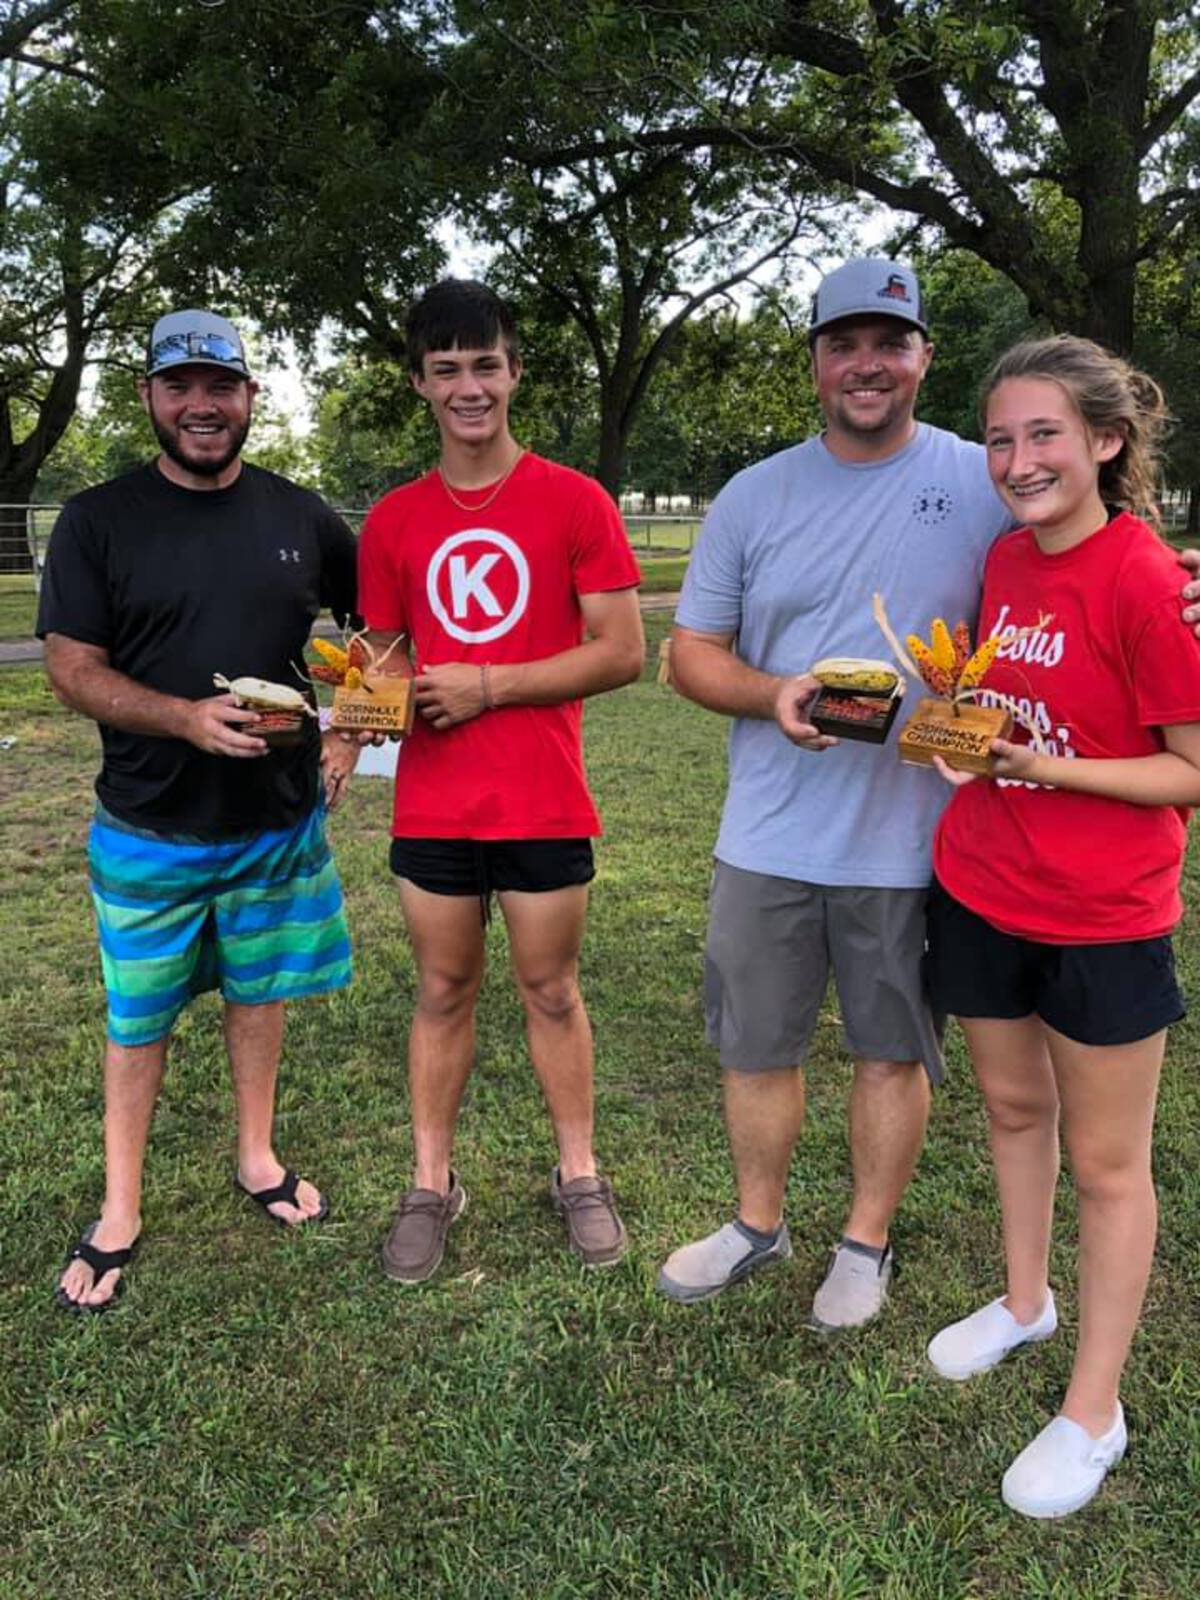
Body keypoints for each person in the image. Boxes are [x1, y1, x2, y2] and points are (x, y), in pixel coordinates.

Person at [657, 257, 1016, 1322]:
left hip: (912, 839)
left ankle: (864, 1243)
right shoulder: (755, 494)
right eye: (844, 344)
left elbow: (1081, 568)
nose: (868, 364)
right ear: (815, 362)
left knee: (890, 1050)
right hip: (767, 833)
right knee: (755, 1046)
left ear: (923, 357)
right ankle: (755, 1224)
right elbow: (690, 655)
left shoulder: (985, 481)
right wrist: (772, 694)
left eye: (890, 342)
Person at [922, 336, 1198, 1518]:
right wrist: (966, 735)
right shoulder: (1002, 559)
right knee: (1012, 1109)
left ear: (1106, 440)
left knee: (1108, 1164)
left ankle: (1095, 1409)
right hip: (983, 885)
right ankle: (1026, 1302)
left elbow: (1189, 770)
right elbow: (1006, 704)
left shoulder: (1147, 579)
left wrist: (1043, 765)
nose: (1018, 459)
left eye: (1044, 434)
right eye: (999, 437)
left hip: (1103, 917)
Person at [39, 309, 359, 1313]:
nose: (201, 406)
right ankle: (120, 1207)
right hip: (148, 826)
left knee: (258, 994)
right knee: (139, 1019)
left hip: (276, 824)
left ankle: (257, 1155)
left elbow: (375, 634)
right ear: (149, 397)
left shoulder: (303, 517)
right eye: (179, 387)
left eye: (221, 386)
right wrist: (183, 717)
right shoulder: (98, 520)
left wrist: (349, 735)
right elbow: (71, 668)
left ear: (250, 397)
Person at [356, 279, 644, 1284]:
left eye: (486, 364)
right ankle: (430, 1183)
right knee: (442, 990)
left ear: (515, 372)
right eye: (447, 369)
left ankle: (580, 1172)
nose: (468, 386)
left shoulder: (575, 501)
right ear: (420, 383)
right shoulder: (393, 520)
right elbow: (385, 661)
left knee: (551, 989)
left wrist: (490, 684)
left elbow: (622, 652)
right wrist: (347, 728)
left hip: (541, 799)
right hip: (434, 806)